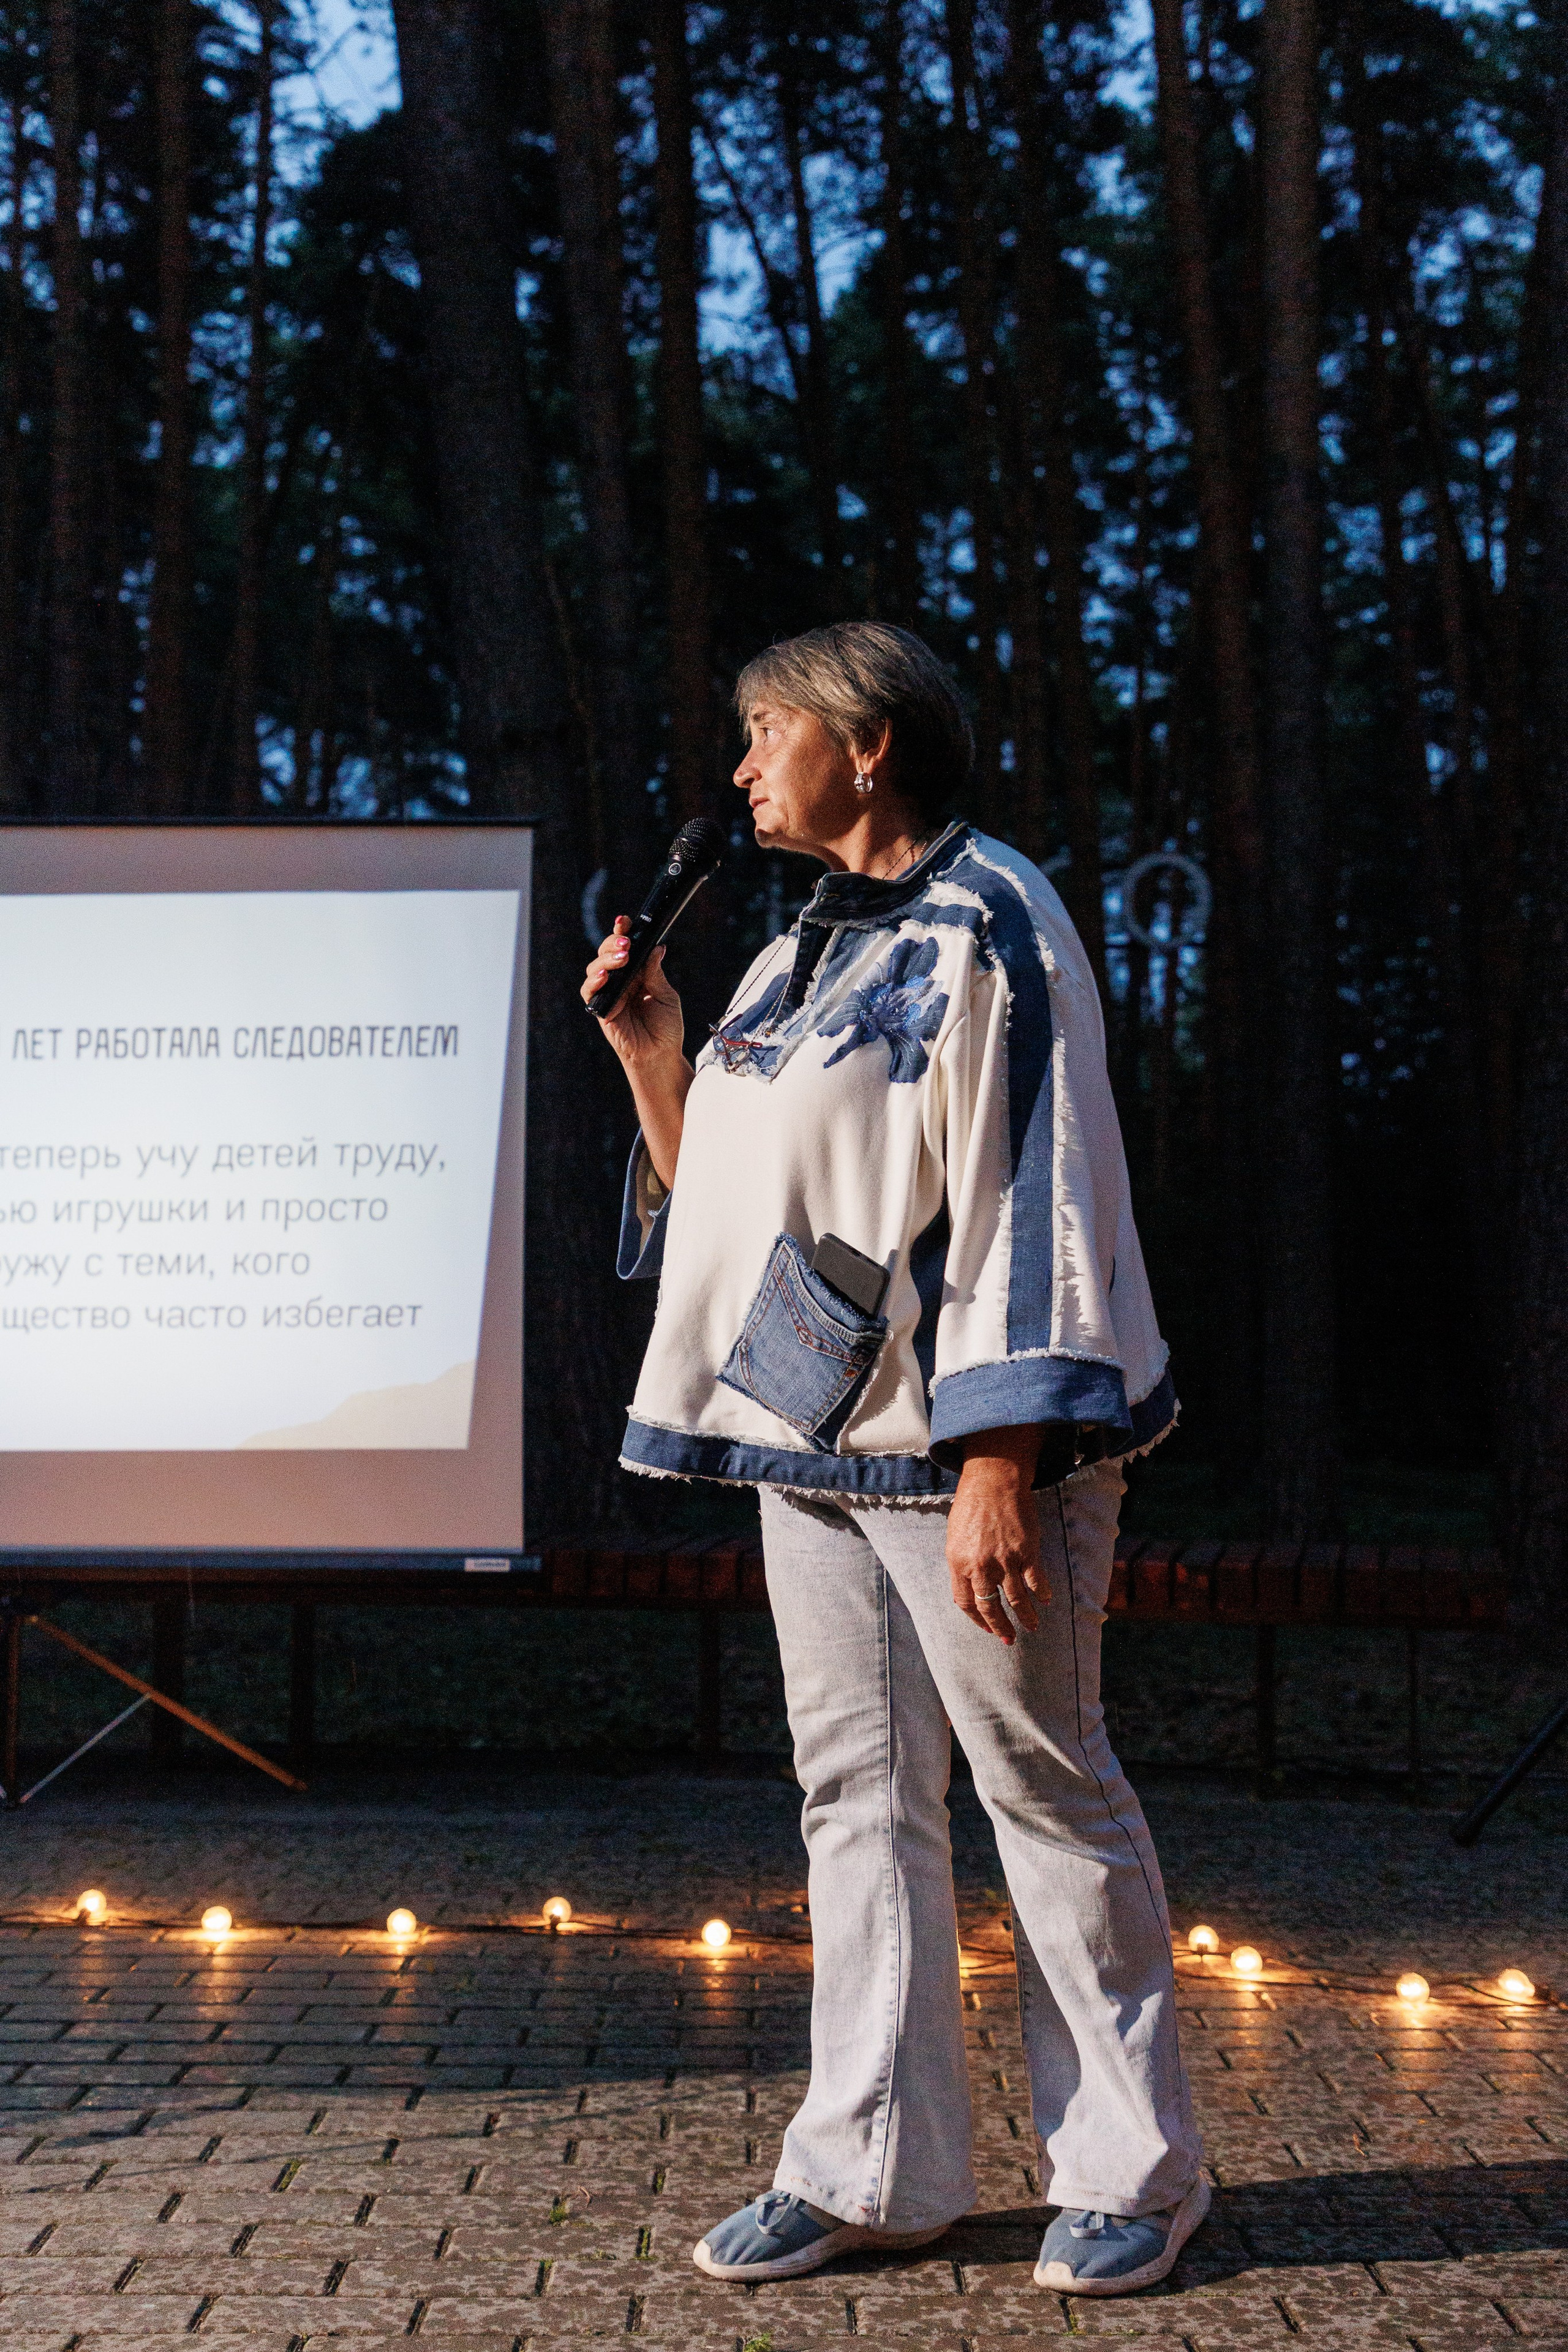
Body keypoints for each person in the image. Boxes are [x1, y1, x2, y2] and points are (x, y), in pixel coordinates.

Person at [582, 622, 1207, 2298]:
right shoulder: (793, 958)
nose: (737, 770)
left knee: (1043, 1786)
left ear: (865, 747)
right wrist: (657, 1049)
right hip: (815, 1452)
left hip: (968, 1458)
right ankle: (876, 2163)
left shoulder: (990, 916)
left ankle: (1137, 2172)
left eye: (762, 732)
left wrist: (1002, 1457)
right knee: (856, 1796)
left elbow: (1038, 1182)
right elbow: (730, 1202)